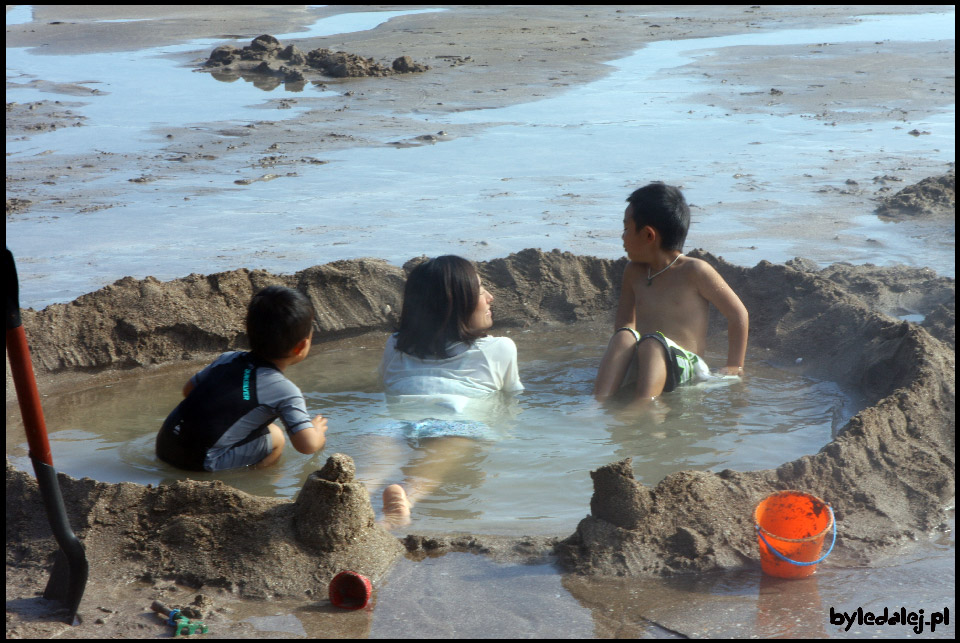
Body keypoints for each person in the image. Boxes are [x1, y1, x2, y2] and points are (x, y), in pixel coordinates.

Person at [375, 255, 523, 526]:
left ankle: (352, 495)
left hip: (394, 421)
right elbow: (510, 400)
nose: (490, 297)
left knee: (370, 469)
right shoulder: (499, 348)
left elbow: (385, 385)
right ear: (458, 304)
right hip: (457, 423)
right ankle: (406, 499)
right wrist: (504, 436)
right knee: (432, 466)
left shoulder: (395, 344)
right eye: (480, 290)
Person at [593, 182, 749, 403]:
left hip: (684, 368)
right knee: (624, 337)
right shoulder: (633, 272)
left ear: (648, 235)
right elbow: (625, 322)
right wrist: (624, 350)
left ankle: (642, 407)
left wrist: (735, 365)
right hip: (646, 358)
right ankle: (597, 403)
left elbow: (738, 314)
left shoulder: (694, 271)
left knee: (653, 343)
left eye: (627, 228)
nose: (622, 237)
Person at [156, 285, 327, 472]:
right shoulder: (285, 391)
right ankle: (257, 484)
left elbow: (188, 390)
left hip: (165, 446)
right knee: (276, 437)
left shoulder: (227, 359)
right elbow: (307, 445)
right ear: (300, 346)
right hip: (199, 462)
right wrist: (316, 431)